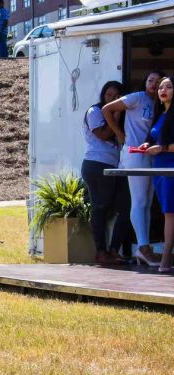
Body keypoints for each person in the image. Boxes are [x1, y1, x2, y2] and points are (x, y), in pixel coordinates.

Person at [102, 70, 166, 266]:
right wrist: (118, 133)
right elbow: (107, 109)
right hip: (135, 152)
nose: (153, 84)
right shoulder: (137, 98)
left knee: (147, 201)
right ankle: (143, 247)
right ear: (145, 82)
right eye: (150, 80)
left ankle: (143, 247)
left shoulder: (158, 104)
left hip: (151, 154)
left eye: (157, 81)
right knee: (139, 200)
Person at [81, 81, 131, 265]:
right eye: (109, 95)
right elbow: (103, 134)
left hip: (116, 167)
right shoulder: (94, 112)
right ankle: (101, 251)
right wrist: (115, 113)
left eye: (117, 97)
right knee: (100, 207)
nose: (112, 99)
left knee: (126, 207)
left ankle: (114, 249)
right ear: (103, 95)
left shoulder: (125, 116)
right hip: (96, 165)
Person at [139, 77, 174, 272]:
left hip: (170, 167)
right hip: (158, 168)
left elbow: (163, 145)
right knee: (166, 211)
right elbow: (154, 138)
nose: (163, 90)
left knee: (170, 212)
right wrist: (147, 144)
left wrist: (162, 148)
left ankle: (166, 257)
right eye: (161, 87)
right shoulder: (161, 114)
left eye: (168, 87)